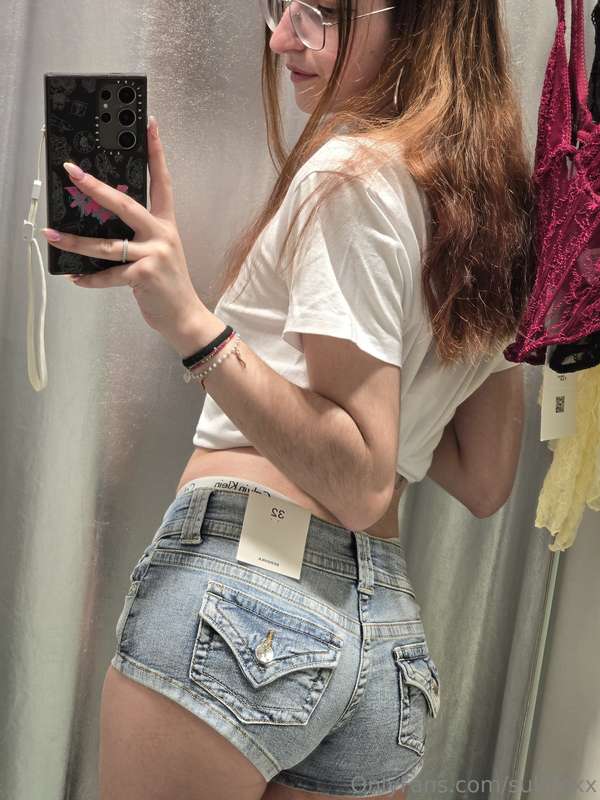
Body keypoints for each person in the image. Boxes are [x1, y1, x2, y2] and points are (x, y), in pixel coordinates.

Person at [99, 1, 529, 798]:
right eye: (282, 6)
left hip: (244, 596)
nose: (281, 38)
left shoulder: (351, 175)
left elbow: (360, 481)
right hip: (384, 633)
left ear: (420, 21)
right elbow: (484, 479)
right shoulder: (492, 220)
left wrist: (191, 323)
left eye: (322, 12)